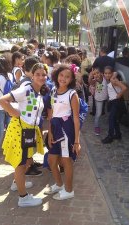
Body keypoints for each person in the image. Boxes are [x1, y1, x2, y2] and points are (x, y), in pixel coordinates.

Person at [0, 63, 47, 207]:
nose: (41, 77)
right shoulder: (26, 89)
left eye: (43, 74)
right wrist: (14, 113)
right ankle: (23, 197)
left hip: (29, 130)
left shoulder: (38, 91)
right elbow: (2, 100)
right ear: (32, 75)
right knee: (21, 163)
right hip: (21, 130)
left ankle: (17, 183)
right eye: (37, 74)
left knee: (26, 160)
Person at [45, 64, 81, 200]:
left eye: (67, 77)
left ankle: (69, 190)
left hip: (66, 130)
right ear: (56, 75)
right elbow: (51, 114)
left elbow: (76, 118)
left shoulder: (72, 94)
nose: (63, 78)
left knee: (66, 161)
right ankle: (59, 184)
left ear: (71, 79)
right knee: (51, 160)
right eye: (61, 75)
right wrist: (50, 132)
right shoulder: (53, 90)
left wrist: (77, 141)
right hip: (55, 127)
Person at [102, 72, 127, 144]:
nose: (107, 75)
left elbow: (124, 88)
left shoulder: (113, 80)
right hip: (113, 102)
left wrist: (119, 94)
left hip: (116, 102)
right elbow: (115, 72)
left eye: (108, 73)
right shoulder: (109, 80)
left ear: (111, 73)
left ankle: (110, 137)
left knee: (111, 119)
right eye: (105, 73)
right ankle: (118, 134)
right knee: (115, 119)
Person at [93, 68, 108, 136]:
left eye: (97, 73)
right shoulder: (95, 80)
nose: (96, 75)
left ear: (101, 73)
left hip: (107, 98)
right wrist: (91, 77)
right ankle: (96, 127)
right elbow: (91, 81)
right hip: (99, 99)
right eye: (94, 74)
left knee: (107, 112)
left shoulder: (105, 77)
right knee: (98, 113)